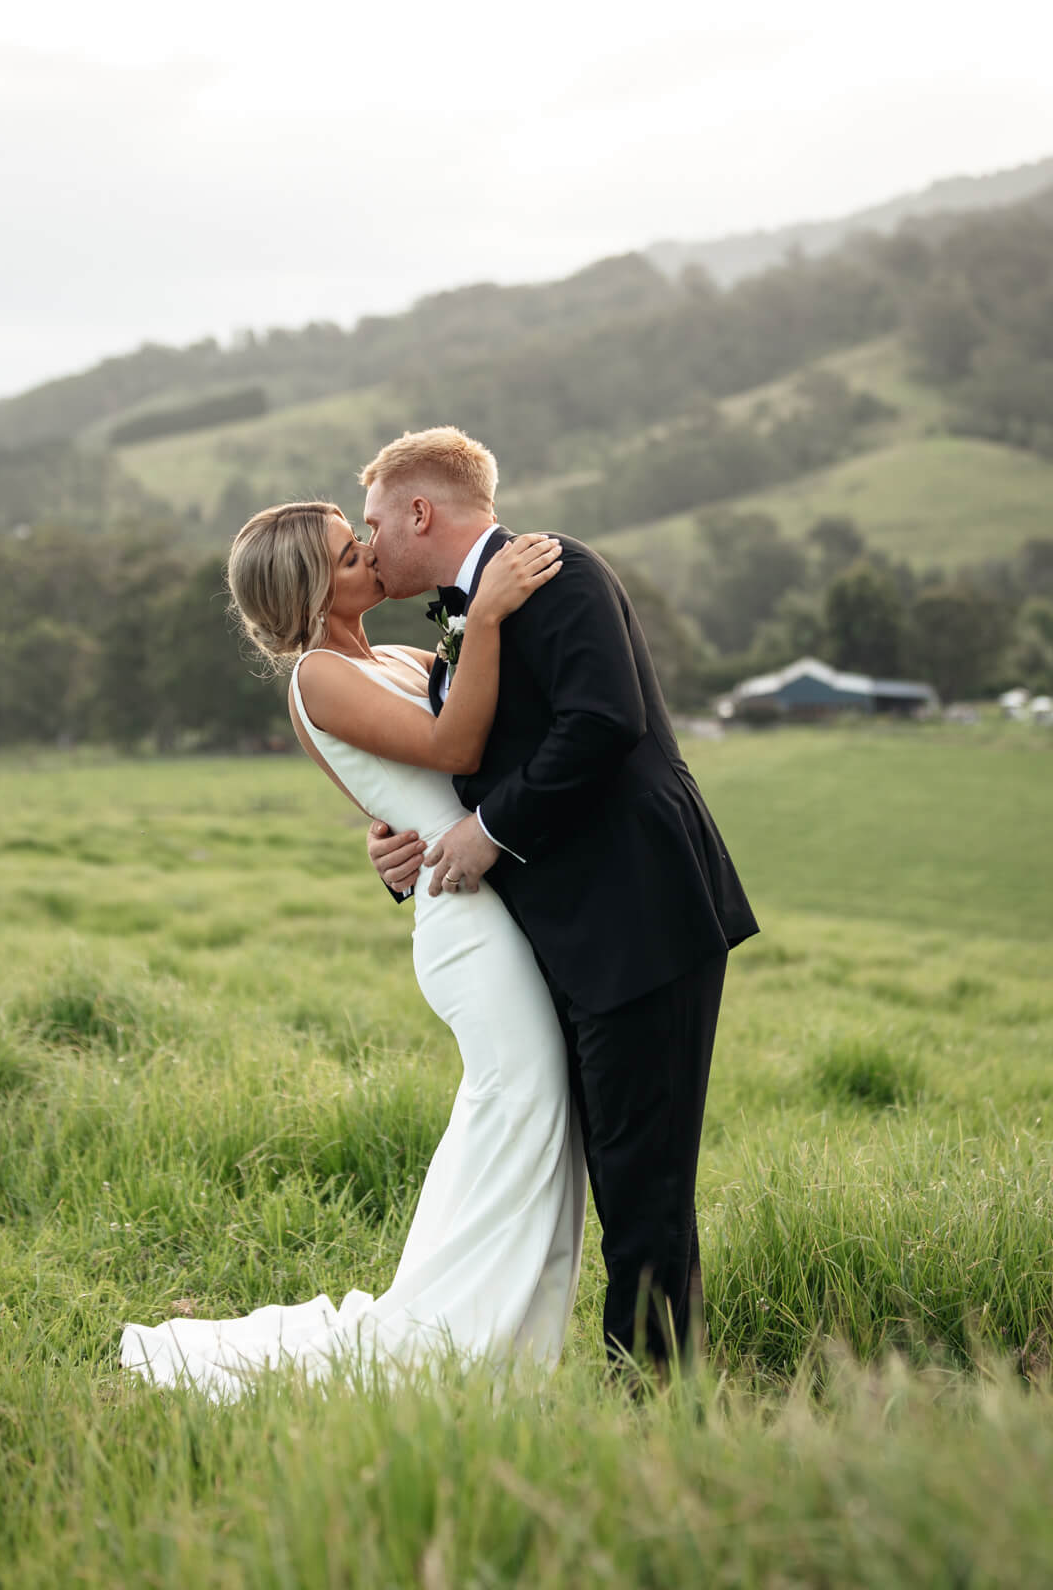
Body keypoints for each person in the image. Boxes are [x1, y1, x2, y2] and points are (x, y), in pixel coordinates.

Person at [120, 500, 586, 1399]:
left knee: (517, 1113)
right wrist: (486, 613)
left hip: (488, 896)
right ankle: (450, 1347)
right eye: (345, 557)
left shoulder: (403, 659)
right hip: (467, 927)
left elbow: (461, 768)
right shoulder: (318, 678)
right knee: (522, 1102)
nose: (370, 554)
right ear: (306, 592)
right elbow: (454, 743)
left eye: (357, 539)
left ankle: (481, 1333)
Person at [362, 427, 758, 1373]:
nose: (368, 544)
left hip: (641, 919)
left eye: (373, 523)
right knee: (617, 1177)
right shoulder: (466, 625)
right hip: (576, 939)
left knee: (643, 1189)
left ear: (420, 512)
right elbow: (474, 760)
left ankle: (656, 1405)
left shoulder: (558, 571)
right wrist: (405, 839)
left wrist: (488, 832)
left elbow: (602, 722)